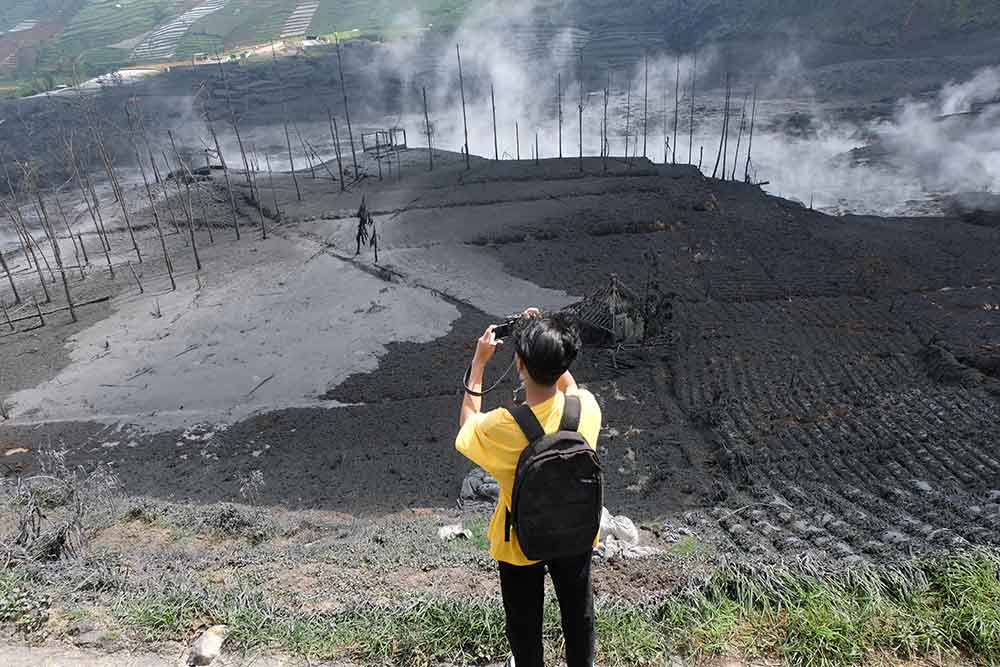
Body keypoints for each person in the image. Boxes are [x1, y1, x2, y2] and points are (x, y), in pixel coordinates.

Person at [456, 308, 602, 667]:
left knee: (524, 625)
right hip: (576, 532)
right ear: (565, 360)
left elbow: (466, 426)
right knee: (579, 616)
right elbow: (568, 386)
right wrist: (546, 339)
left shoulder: (503, 426)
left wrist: (478, 365)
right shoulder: (586, 409)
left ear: (519, 364)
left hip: (519, 542)